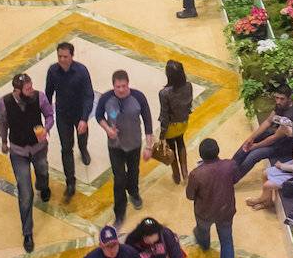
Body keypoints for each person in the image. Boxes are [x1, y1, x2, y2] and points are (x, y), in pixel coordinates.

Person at [0, 72, 52, 250]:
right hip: (18, 151)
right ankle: (27, 233)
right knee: (25, 192)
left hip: (38, 148)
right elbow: (3, 123)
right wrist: (4, 141)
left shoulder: (39, 97)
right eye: (27, 88)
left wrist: (46, 128)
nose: (31, 90)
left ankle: (43, 185)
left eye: (31, 86)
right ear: (17, 90)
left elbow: (49, 115)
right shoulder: (4, 103)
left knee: (42, 169)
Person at [96, 69, 152, 226]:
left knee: (134, 171)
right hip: (115, 146)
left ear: (128, 84)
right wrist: (108, 130)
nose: (121, 90)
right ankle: (119, 213)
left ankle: (134, 193)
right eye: (118, 86)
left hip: (134, 143)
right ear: (113, 86)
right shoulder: (106, 98)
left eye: (124, 86)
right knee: (119, 179)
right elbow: (99, 115)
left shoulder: (138, 97)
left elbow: (148, 121)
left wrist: (148, 146)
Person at [44, 41, 94, 202]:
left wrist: (84, 119)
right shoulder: (53, 71)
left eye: (65, 56)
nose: (62, 59)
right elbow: (48, 93)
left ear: (72, 56)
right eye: (59, 56)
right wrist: (48, 115)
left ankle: (83, 148)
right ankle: (70, 182)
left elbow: (89, 96)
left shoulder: (81, 71)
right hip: (63, 115)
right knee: (66, 148)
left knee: (82, 138)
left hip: (80, 114)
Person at [185, 138, 237, 258]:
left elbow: (190, 196)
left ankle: (204, 244)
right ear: (217, 151)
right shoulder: (230, 165)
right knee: (227, 242)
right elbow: (235, 179)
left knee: (202, 230)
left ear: (201, 155)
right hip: (225, 211)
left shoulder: (196, 174)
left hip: (204, 213)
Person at [248, 117, 293, 210]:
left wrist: (281, 166)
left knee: (267, 185)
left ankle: (261, 199)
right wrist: (286, 126)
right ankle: (268, 202)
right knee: (265, 173)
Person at [233, 91, 293, 182]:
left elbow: (274, 139)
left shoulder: (290, 116)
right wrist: (251, 138)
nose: (278, 101)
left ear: (289, 99)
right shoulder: (281, 105)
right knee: (246, 144)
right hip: (275, 135)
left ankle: (231, 180)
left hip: (283, 145)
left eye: (282, 99)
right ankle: (229, 169)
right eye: (277, 98)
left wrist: (255, 146)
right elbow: (268, 122)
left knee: (254, 154)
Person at [158, 59, 192, 183]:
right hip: (183, 122)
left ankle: (176, 175)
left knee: (171, 147)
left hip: (171, 127)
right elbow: (189, 104)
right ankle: (185, 173)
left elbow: (164, 115)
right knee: (181, 142)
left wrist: (162, 135)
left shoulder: (164, 93)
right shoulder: (188, 86)